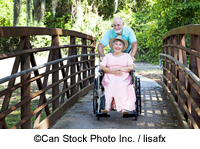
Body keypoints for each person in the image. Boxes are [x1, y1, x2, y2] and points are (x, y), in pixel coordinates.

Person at [99, 36, 136, 117]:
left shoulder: (126, 56)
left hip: (123, 75)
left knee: (120, 83)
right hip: (109, 75)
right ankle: (107, 107)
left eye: (120, 45)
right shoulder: (108, 56)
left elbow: (131, 67)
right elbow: (101, 67)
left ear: (123, 47)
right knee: (112, 83)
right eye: (116, 44)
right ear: (112, 46)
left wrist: (119, 68)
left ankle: (123, 108)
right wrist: (112, 71)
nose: (118, 46)